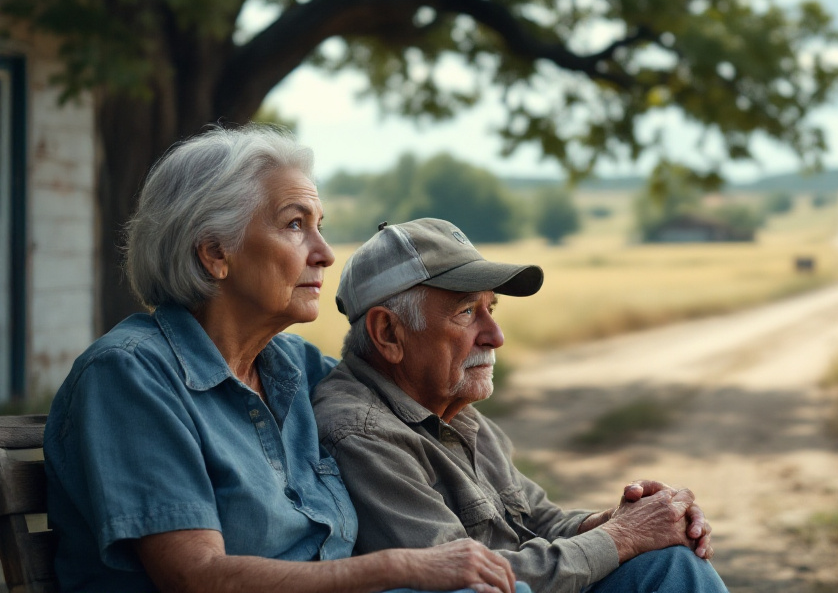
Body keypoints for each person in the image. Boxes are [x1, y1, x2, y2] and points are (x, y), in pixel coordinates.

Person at [44, 126, 526, 593]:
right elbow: (196, 578)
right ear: (215, 253)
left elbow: (408, 412)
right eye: (295, 225)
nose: (325, 254)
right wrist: (404, 567)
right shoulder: (129, 376)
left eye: (320, 227)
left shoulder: (298, 368)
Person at [312, 218, 730, 593]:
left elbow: (541, 521)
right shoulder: (361, 433)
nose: (495, 335)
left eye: (490, 308)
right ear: (388, 333)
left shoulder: (454, 413)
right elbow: (462, 580)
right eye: (467, 311)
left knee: (671, 560)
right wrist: (622, 538)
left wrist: (626, 521)